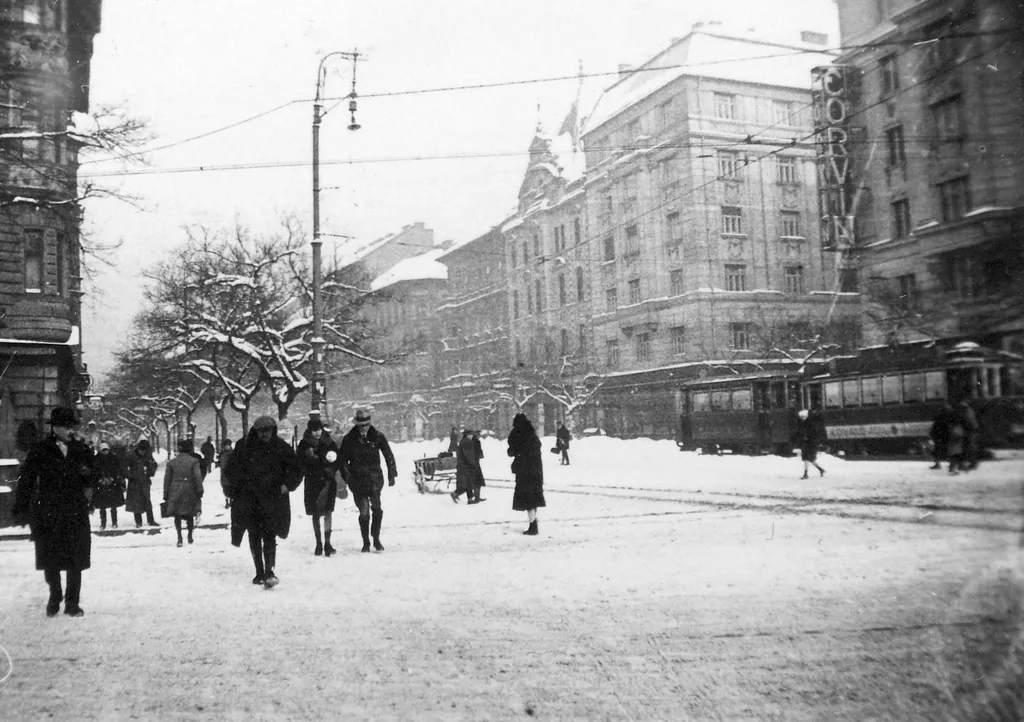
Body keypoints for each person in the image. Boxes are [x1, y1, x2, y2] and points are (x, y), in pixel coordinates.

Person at [11, 407, 95, 617]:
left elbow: (92, 476)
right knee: (51, 557)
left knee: (76, 557)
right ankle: (55, 595)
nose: (70, 430)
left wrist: (89, 479)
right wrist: (21, 507)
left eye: (71, 426)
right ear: (55, 428)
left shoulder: (81, 449)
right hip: (49, 510)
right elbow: (27, 480)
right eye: (66, 427)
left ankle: (72, 602)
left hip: (75, 510)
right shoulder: (40, 450)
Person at [222, 416, 301, 588]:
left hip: (273, 500)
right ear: (255, 431)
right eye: (261, 431)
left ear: (273, 430)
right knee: (254, 536)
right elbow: (230, 471)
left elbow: (296, 468)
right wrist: (240, 487)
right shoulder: (244, 447)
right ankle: (259, 571)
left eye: (268, 431)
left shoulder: (281, 447)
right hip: (250, 500)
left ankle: (269, 571)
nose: (265, 435)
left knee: (270, 535)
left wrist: (287, 485)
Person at [338, 409, 397, 553]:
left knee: (377, 509)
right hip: (357, 480)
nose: (364, 428)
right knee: (364, 512)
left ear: (370, 423)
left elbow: (388, 455)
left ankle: (376, 538)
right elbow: (342, 461)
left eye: (366, 425)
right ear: (357, 425)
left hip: (375, 479)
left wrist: (391, 474)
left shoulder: (377, 436)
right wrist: (347, 478)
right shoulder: (349, 439)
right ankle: (366, 542)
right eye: (361, 425)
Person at [297, 418, 340, 557]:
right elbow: (299, 463)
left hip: (327, 481)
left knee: (328, 512)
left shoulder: (329, 442)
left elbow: (337, 459)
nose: (317, 433)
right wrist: (309, 461)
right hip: (313, 482)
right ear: (310, 430)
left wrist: (332, 469)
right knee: (316, 513)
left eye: (319, 430)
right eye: (314, 430)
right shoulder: (304, 444)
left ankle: (327, 543)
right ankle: (319, 543)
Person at [507, 412, 545, 535]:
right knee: (533, 497)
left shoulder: (517, 434)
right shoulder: (532, 435)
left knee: (528, 499)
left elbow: (512, 451)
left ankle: (533, 526)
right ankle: (533, 522)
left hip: (524, 471)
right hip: (536, 471)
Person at [124, 439, 160, 527]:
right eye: (141, 450)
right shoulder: (131, 456)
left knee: (147, 501)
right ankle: (138, 522)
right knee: (136, 503)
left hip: (145, 482)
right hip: (134, 482)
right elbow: (123, 467)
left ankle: (151, 520)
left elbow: (154, 465)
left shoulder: (148, 456)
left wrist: (150, 471)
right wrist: (130, 476)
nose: (142, 452)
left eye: (144, 450)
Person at [92, 442, 126, 530]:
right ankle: (103, 523)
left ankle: (114, 522)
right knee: (102, 506)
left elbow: (117, 470)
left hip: (112, 485)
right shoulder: (96, 459)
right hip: (101, 485)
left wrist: (112, 478)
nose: (105, 452)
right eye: (103, 450)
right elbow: (94, 472)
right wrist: (100, 479)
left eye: (106, 450)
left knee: (113, 505)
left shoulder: (114, 458)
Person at [451, 428, 483, 505]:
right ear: (468, 435)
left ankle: (469, 499)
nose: (472, 436)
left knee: (468, 484)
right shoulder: (467, 443)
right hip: (466, 467)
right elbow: (469, 455)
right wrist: (473, 464)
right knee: (467, 484)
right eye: (471, 434)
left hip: (464, 466)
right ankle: (455, 494)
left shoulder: (464, 441)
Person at [794, 409, 827, 479]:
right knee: (809, 458)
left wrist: (806, 438)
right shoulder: (809, 423)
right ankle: (819, 470)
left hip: (810, 443)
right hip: (810, 443)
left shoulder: (807, 424)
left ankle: (808, 473)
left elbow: (811, 433)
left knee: (808, 458)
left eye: (802, 417)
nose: (802, 418)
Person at [929, 404, 956, 470]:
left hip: (940, 437)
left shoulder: (939, 417)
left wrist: (933, 435)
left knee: (937, 452)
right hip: (946, 437)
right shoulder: (951, 417)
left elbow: (934, 428)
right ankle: (952, 465)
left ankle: (938, 464)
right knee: (949, 452)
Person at [218, 438, 235, 508]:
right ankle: (227, 500)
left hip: (232, 472)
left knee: (231, 486)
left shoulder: (234, 453)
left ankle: (231, 499)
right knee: (225, 487)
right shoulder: (222, 454)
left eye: (228, 445)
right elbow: (220, 462)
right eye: (226, 445)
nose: (227, 447)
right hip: (224, 473)